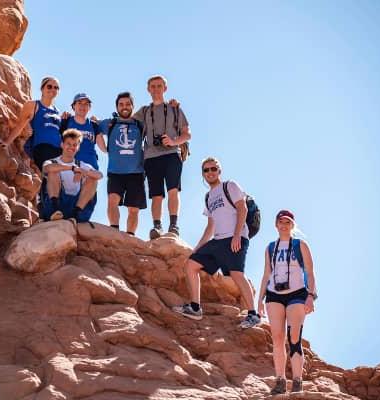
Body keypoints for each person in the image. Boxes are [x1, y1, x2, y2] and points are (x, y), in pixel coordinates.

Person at [172, 157, 260, 329]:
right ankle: (195, 308)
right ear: (203, 174)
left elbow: (242, 209)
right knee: (191, 265)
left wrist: (236, 236)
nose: (210, 172)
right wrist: (198, 248)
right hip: (218, 240)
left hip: (236, 237)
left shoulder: (230, 186)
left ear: (219, 171)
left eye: (213, 169)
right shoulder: (208, 197)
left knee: (236, 274)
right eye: (206, 170)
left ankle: (253, 314)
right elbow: (210, 226)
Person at [256, 210, 317, 394]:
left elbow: (309, 272)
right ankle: (280, 380)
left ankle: (297, 381)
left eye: (288, 222)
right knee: (277, 337)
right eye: (281, 222)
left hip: (297, 294)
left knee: (294, 337)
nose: (284, 225)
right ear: (276, 225)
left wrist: (310, 295)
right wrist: (259, 300)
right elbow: (267, 274)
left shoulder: (300, 245)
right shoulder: (270, 247)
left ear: (292, 225)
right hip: (274, 294)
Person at [133, 75, 191, 239]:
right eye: (153, 86)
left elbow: (187, 134)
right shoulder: (144, 111)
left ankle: (173, 225)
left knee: (173, 190)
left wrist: (173, 141)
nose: (156, 89)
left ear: (165, 88)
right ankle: (157, 227)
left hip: (172, 154)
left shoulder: (175, 109)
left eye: (159, 86)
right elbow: (127, 121)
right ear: (148, 89)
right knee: (156, 194)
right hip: (151, 156)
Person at [96, 92, 146, 235]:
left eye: (127, 104)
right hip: (115, 171)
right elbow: (93, 128)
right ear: (117, 107)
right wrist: (104, 148)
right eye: (121, 104)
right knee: (112, 201)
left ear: (132, 106)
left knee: (134, 208)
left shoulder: (140, 124)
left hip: (136, 172)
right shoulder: (110, 124)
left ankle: (130, 236)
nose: (124, 107)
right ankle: (114, 231)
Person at [41, 129, 103, 222]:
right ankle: (54, 210)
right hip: (57, 205)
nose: (71, 147)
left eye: (75, 145)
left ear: (78, 148)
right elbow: (47, 168)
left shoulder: (81, 164)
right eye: (68, 144)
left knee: (93, 179)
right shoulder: (52, 161)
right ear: (62, 144)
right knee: (53, 172)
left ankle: (76, 214)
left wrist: (82, 171)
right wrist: (72, 168)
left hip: (75, 206)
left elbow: (100, 175)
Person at [2, 77, 63, 170]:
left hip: (58, 151)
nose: (53, 89)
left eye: (56, 88)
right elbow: (20, 125)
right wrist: (7, 142)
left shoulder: (57, 112)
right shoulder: (33, 105)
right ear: (42, 89)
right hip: (42, 148)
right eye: (49, 86)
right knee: (50, 174)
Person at [60, 93, 101, 170]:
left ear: (89, 107)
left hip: (91, 168)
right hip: (70, 168)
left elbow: (104, 148)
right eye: (79, 103)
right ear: (73, 106)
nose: (83, 106)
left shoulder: (94, 125)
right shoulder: (65, 122)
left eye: (86, 104)